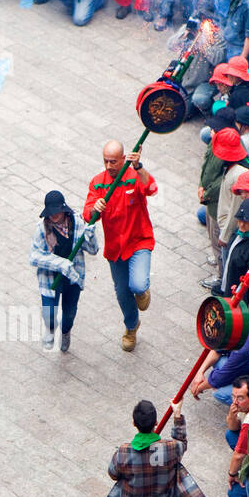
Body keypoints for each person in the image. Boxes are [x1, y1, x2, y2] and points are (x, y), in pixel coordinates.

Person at [85, 140, 157, 351]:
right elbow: (88, 214)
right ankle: (131, 326)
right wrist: (95, 208)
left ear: (123, 159)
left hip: (139, 241)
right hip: (116, 248)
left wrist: (139, 167)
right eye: (106, 161)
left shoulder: (134, 176)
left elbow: (151, 188)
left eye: (113, 161)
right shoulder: (98, 183)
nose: (109, 166)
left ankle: (143, 291)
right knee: (122, 292)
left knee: (137, 285)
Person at [30, 190, 98, 352]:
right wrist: (60, 264)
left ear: (63, 209)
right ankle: (50, 329)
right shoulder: (41, 229)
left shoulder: (78, 223)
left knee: (69, 314)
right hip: (50, 279)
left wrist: (91, 235)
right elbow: (34, 256)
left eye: (56, 211)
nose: (53, 215)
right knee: (49, 315)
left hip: (73, 278)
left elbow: (93, 250)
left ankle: (66, 332)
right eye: (50, 212)